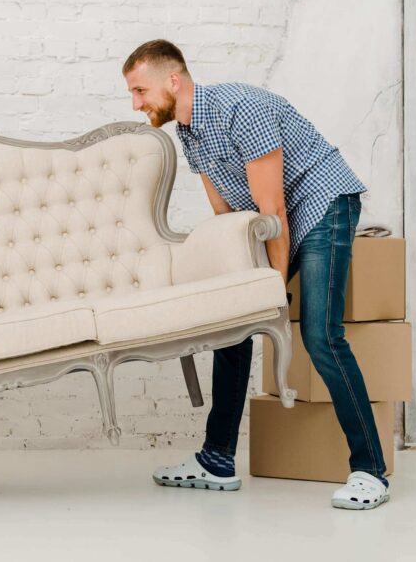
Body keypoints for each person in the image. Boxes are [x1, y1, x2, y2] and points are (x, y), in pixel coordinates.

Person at [122, 39, 389, 510]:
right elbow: (230, 216)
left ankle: (371, 471)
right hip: (277, 220)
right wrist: (241, 288)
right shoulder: (188, 131)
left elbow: (273, 211)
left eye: (140, 91)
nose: (137, 104)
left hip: (323, 206)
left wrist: (271, 289)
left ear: (173, 80)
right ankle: (216, 460)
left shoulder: (241, 109)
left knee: (322, 335)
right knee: (233, 325)